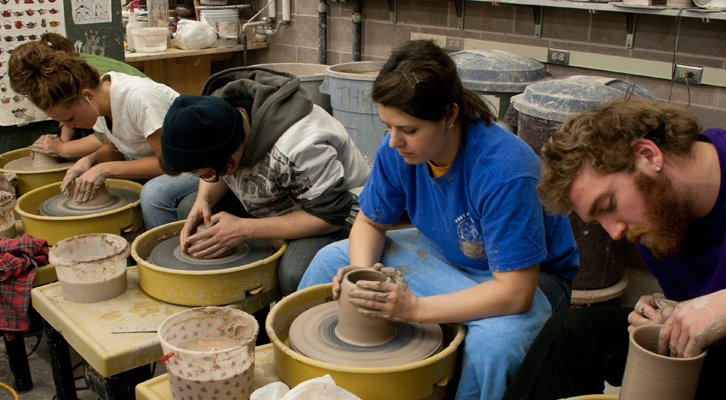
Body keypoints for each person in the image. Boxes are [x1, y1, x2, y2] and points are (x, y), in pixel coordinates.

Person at [297, 40, 580, 400]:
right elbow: (370, 223)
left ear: (449, 114)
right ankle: (315, 384)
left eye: (409, 130)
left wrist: (414, 309)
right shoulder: (396, 149)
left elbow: (515, 294)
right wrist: (361, 276)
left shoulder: (505, 172)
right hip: (448, 251)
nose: (395, 141)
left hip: (528, 279)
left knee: (495, 346)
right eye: (388, 126)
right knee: (329, 261)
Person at [504, 97, 726, 400]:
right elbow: (706, 327)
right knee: (573, 332)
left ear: (648, 156)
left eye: (609, 205)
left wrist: (725, 304)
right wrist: (673, 317)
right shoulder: (657, 221)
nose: (615, 232)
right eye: (599, 221)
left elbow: (723, 308)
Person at [157, 65, 370, 297]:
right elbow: (216, 166)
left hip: (332, 212)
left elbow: (330, 216)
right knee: (190, 209)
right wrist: (203, 199)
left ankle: (278, 321)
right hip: (274, 197)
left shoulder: (300, 145)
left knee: (295, 273)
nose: (207, 179)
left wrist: (245, 229)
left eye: (207, 175)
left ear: (229, 157)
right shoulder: (215, 116)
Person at [8, 37, 192, 230]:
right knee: (97, 183)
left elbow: (171, 163)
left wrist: (104, 168)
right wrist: (90, 160)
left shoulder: (139, 98)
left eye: (70, 118)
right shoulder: (100, 104)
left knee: (154, 193)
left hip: (198, 163)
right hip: (166, 161)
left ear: (87, 96)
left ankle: (159, 254)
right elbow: (115, 149)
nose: (70, 126)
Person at [24, 33, 150, 159]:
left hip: (146, 133)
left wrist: (62, 148)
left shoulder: (96, 87)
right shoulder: (80, 88)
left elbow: (102, 140)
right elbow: (67, 109)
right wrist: (63, 140)